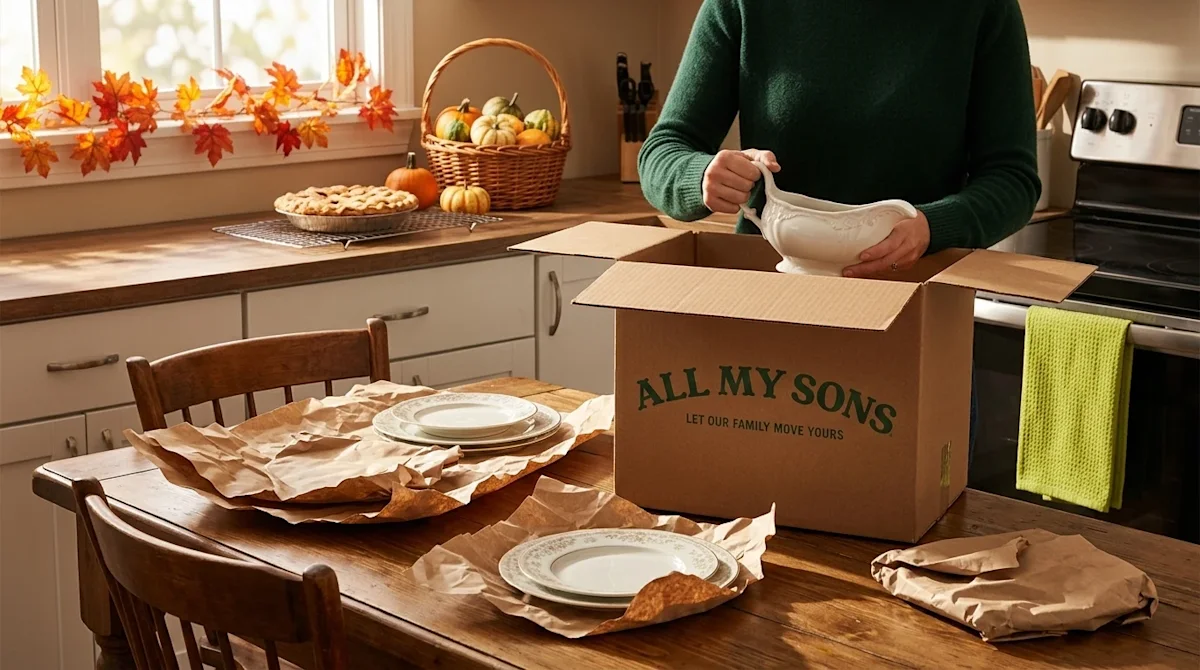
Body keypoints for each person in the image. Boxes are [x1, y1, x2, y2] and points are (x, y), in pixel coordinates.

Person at [639, 0, 1042, 460]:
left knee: (925, 522)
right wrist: (702, 176)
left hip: (912, 321)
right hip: (768, 321)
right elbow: (662, 153)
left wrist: (934, 226)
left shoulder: (983, 10)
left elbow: (1014, 179)